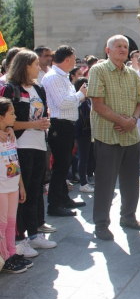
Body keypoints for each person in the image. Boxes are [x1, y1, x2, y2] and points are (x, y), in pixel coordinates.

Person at [88, 35, 140, 241]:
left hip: (131, 135)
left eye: (125, 47)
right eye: (118, 46)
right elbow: (98, 104)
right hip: (108, 135)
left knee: (132, 181)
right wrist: (123, 121)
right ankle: (101, 224)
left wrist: (133, 119)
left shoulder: (132, 74)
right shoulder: (98, 70)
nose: (122, 49)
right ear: (108, 50)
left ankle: (128, 216)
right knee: (106, 182)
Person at [0, 50, 56, 258]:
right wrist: (34, 124)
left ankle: (34, 234)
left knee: (34, 192)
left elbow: (43, 113)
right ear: (25, 66)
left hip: (39, 144)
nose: (39, 68)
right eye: (35, 64)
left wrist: (44, 123)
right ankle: (18, 238)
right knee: (21, 195)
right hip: (20, 146)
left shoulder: (38, 88)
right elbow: (7, 121)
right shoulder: (10, 89)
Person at [42, 45, 87, 217]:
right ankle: (54, 204)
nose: (75, 62)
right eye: (74, 58)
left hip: (66, 125)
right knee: (60, 166)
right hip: (59, 125)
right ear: (67, 59)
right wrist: (80, 94)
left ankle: (63, 198)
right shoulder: (53, 77)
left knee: (64, 163)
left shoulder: (62, 76)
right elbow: (62, 103)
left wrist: (77, 96)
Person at [0, 97, 30, 274]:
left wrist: (21, 186)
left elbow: (15, 161)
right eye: (11, 113)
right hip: (1, 188)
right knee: (2, 224)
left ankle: (11, 253)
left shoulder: (11, 135)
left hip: (12, 186)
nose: (15, 116)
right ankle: (4, 256)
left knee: (11, 222)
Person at [73, 77, 95, 193]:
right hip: (82, 132)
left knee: (88, 157)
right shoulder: (78, 102)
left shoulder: (88, 101)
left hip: (89, 132)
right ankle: (83, 183)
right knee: (83, 157)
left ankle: (87, 180)